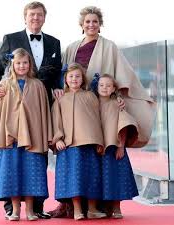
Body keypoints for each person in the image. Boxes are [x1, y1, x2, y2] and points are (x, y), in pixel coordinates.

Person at [49, 5, 155, 218]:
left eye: (95, 21)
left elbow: (122, 75)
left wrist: (117, 98)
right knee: (79, 157)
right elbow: (64, 75)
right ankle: (71, 204)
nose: (91, 25)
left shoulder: (110, 47)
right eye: (87, 21)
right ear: (82, 25)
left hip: (103, 102)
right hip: (79, 107)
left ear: (100, 24)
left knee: (106, 154)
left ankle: (107, 205)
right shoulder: (71, 48)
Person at [0, 1, 61, 218]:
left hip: (41, 103)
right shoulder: (11, 39)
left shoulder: (54, 42)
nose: (35, 18)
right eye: (32, 15)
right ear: (25, 17)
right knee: (13, 158)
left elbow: (57, 71)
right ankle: (12, 207)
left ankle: (36, 207)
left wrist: (58, 86)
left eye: (39, 15)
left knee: (38, 156)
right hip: (13, 104)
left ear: (44, 18)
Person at [0, 48, 52, 221]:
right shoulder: (4, 85)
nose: (22, 66)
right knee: (13, 172)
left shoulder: (38, 85)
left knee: (32, 172)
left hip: (32, 137)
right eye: (18, 63)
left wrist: (46, 135)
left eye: (25, 62)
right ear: (12, 64)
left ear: (30, 64)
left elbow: (43, 112)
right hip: (12, 138)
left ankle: (30, 210)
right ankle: (15, 209)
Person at [52, 63, 106, 220]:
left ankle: (92, 209)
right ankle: (77, 210)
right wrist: (58, 138)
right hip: (69, 146)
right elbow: (56, 120)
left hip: (89, 143)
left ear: (83, 79)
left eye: (77, 76)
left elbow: (97, 120)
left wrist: (98, 140)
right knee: (73, 178)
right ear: (65, 79)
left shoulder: (90, 96)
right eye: (71, 76)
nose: (74, 79)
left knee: (92, 176)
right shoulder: (60, 100)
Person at [95, 74, 139, 219]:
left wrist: (121, 146)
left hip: (114, 147)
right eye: (101, 85)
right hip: (98, 148)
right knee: (101, 178)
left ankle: (116, 207)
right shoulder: (92, 102)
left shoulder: (117, 104)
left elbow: (123, 126)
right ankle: (105, 207)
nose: (104, 88)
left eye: (108, 86)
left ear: (114, 89)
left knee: (115, 177)